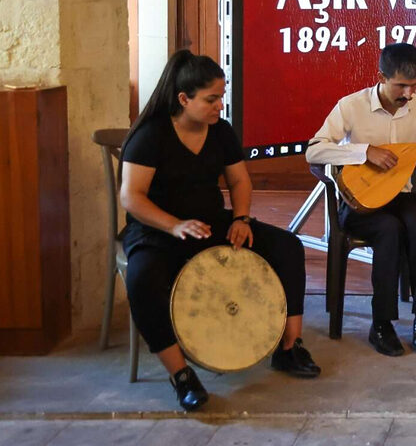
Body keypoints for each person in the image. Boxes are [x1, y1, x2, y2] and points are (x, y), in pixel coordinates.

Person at [120, 50, 320, 412]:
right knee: (141, 278)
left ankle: (289, 348)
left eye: (221, 97)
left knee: (288, 246)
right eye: (211, 99)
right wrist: (174, 225)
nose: (219, 106)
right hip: (158, 230)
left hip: (211, 222)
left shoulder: (221, 131)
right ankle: (182, 375)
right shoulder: (151, 135)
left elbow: (239, 179)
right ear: (184, 99)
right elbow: (131, 197)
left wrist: (241, 219)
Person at [306, 43, 416, 356]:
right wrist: (364, 152)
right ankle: (381, 324)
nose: (408, 94)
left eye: (414, 85)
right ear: (380, 76)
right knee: (390, 231)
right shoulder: (351, 106)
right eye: (401, 86)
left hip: (400, 197)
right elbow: (314, 150)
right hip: (359, 203)